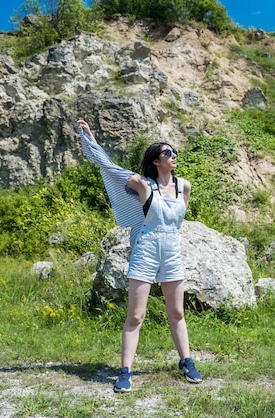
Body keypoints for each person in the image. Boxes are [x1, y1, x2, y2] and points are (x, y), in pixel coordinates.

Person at [77, 119, 202, 393]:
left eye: (174, 152)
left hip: (171, 251)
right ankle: (125, 371)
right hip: (146, 251)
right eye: (167, 153)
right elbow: (110, 169)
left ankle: (186, 361)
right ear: (156, 161)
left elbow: (176, 222)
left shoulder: (185, 186)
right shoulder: (144, 185)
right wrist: (91, 139)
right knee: (135, 315)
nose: (174, 156)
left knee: (177, 312)